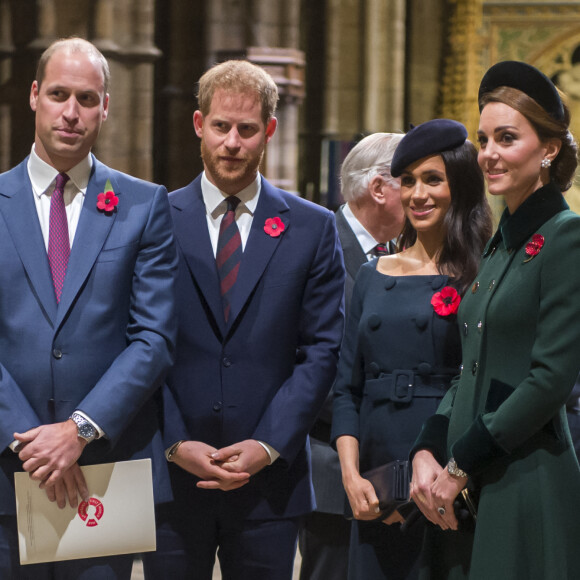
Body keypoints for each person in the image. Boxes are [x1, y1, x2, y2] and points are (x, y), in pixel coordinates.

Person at [142, 59, 345, 580]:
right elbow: (136, 342)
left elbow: (322, 349)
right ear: (198, 125)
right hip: (171, 477)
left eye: (247, 129)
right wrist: (173, 440)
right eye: (221, 127)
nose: (232, 142)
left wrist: (267, 445)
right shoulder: (152, 219)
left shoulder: (312, 228)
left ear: (269, 131)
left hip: (268, 486)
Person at [0, 38, 177, 578]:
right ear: (34, 95)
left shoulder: (143, 205)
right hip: (8, 466)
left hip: (103, 469)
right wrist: (34, 443)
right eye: (58, 94)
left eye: (87, 98)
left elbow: (154, 337)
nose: (71, 113)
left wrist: (77, 431)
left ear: (106, 106)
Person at [410, 61, 580, 579]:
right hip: (470, 485)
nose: (488, 155)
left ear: (549, 149)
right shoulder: (500, 244)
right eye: (484, 140)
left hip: (526, 482)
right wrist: (428, 447)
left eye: (506, 138)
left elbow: (549, 379)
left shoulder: (566, 238)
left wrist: (461, 463)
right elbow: (471, 367)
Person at [332, 119, 492, 580]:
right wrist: (351, 475)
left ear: (459, 185)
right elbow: (347, 387)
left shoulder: (485, 271)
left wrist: (456, 472)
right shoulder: (372, 273)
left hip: (450, 467)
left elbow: (483, 382)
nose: (418, 194)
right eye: (408, 181)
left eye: (432, 180)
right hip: (375, 474)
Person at [299, 132, 405, 580]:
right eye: (412, 180)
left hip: (399, 463)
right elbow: (303, 361)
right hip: (331, 458)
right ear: (379, 188)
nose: (423, 194)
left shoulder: (407, 256)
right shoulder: (313, 244)